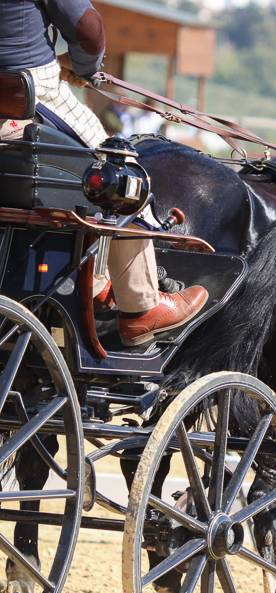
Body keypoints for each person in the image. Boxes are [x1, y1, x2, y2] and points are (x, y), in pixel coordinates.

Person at [0, 0, 207, 346]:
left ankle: (95, 279)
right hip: (25, 99)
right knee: (120, 173)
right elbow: (88, 29)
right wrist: (82, 66)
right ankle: (141, 306)